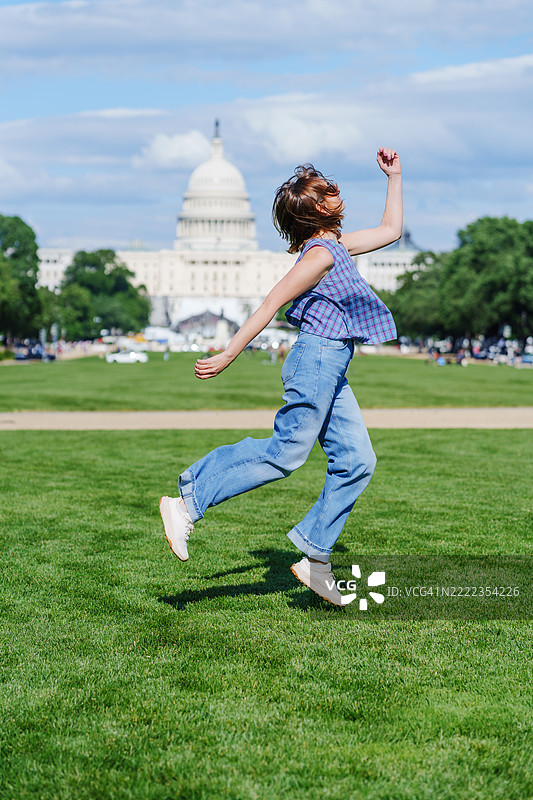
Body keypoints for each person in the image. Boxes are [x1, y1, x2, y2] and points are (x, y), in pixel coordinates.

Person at [160, 148, 402, 606]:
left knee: (358, 461)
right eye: (325, 191)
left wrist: (395, 176)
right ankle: (188, 502)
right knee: (285, 454)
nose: (335, 191)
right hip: (315, 361)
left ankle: (314, 556)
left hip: (333, 364)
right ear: (314, 212)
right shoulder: (319, 258)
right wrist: (229, 352)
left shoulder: (336, 247)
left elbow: (391, 231)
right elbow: (270, 304)